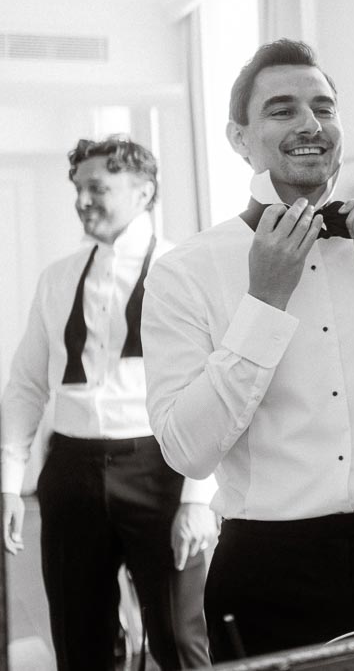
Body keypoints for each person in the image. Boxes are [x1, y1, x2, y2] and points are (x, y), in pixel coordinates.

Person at [141, 39, 354, 658]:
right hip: (268, 571)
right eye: (281, 109)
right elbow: (186, 452)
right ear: (238, 136)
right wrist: (263, 303)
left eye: (323, 107)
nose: (310, 124)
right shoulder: (184, 273)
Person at [1, 135, 214, 670]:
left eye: (98, 187)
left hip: (159, 469)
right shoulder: (57, 278)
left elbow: (213, 387)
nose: (82, 200)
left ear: (143, 192)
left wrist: (197, 498)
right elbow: (26, 383)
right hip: (71, 471)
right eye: (78, 188)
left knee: (180, 641)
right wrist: (8, 481)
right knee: (78, 643)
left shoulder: (186, 271)